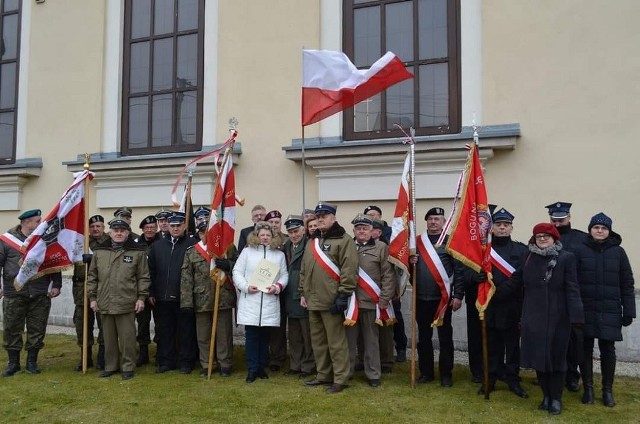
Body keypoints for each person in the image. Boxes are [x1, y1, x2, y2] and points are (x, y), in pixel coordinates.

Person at [505, 223, 583, 415]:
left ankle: (556, 398)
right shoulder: (528, 257)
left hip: (559, 317)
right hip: (533, 315)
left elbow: (572, 288)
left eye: (546, 237)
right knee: (539, 358)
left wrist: (576, 316)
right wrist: (494, 292)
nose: (542, 240)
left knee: (556, 359)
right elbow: (516, 280)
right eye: (538, 236)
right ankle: (545, 396)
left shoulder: (566, 258)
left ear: (554, 239)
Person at [574, 213, 635, 407]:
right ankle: (588, 389)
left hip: (610, 309)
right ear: (590, 229)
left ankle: (607, 390)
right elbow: (572, 282)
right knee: (584, 348)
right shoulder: (579, 250)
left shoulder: (619, 252)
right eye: (596, 227)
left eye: (604, 228)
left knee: (608, 349)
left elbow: (627, 283)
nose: (599, 231)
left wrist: (629, 311)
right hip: (585, 308)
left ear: (609, 231)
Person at [300, 201, 358, 394]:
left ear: (333, 218)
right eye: (318, 216)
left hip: (332, 300)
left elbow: (349, 269)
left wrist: (343, 295)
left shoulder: (344, 239)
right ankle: (323, 375)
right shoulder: (312, 241)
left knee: (336, 343)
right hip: (313, 300)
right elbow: (304, 269)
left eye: (325, 216)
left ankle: (340, 378)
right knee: (318, 342)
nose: (321, 219)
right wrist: (303, 292)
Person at [1, 209, 62, 376]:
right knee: (12, 328)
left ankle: (31, 362)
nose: (40, 224)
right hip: (14, 292)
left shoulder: (44, 240)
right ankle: (13, 363)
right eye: (37, 221)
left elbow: (53, 263)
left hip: (40, 292)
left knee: (37, 328)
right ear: (26, 222)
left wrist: (56, 284)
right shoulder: (6, 241)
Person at [87, 218, 150, 380]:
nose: (119, 233)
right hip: (104, 301)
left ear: (128, 233)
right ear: (110, 232)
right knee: (107, 337)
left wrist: (141, 298)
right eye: (116, 230)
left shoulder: (137, 252)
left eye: (122, 231)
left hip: (127, 301)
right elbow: (92, 276)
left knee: (127, 337)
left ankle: (128, 366)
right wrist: (92, 298)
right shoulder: (100, 251)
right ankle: (111, 365)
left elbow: (143, 277)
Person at [411, 207, 464, 387]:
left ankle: (446, 374)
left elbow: (459, 271)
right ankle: (426, 373)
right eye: (431, 219)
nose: (434, 222)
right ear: (426, 221)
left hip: (442, 300)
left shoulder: (450, 243)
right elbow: (406, 272)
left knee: (445, 338)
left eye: (438, 219)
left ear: (443, 222)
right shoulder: (416, 243)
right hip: (421, 298)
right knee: (424, 338)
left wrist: (458, 295)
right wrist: (411, 263)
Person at [233, 221, 288, 383]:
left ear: (273, 237)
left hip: (269, 301)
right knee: (251, 336)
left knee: (265, 337)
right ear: (256, 236)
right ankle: (252, 368)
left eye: (268, 235)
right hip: (251, 300)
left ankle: (261, 367)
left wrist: (277, 287)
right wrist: (245, 286)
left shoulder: (279, 255)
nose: (265, 238)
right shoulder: (247, 252)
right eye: (262, 235)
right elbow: (237, 271)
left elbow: (284, 275)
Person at [482, 207, 528, 398]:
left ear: (511, 228)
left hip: (512, 306)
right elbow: (476, 272)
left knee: (512, 347)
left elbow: (521, 276)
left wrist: (502, 291)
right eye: (499, 225)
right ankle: (491, 378)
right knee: (493, 345)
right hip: (491, 305)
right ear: (492, 228)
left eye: (506, 225)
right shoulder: (485, 251)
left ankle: (513, 379)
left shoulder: (521, 250)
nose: (502, 228)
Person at [181, 221, 238, 377]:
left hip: (223, 296)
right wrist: (186, 302)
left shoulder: (227, 248)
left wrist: (228, 264)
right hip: (201, 299)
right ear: (199, 234)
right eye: (202, 232)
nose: (206, 235)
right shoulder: (192, 252)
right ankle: (207, 364)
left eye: (209, 232)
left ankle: (225, 363)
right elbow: (186, 279)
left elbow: (239, 266)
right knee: (203, 335)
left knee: (224, 334)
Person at [347, 214, 395, 387]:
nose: (361, 231)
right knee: (349, 342)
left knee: (371, 341)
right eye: (358, 228)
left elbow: (388, 276)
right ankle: (347, 372)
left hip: (371, 302)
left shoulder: (381, 247)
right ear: (354, 230)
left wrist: (384, 299)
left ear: (372, 231)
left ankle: (373, 374)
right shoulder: (348, 246)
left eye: (365, 228)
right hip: (351, 303)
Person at [546, 201, 588, 392]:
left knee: (573, 342)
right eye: (554, 220)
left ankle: (572, 376)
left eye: (561, 219)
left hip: (573, 297)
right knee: (550, 339)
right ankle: (549, 373)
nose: (557, 224)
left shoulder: (582, 239)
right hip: (550, 298)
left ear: (569, 218)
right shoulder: (544, 238)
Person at [148, 211, 198, 374]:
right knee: (165, 331)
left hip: (184, 297)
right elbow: (151, 271)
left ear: (184, 226)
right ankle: (166, 361)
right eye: (172, 226)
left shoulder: (192, 244)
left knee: (185, 331)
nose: (176, 228)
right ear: (167, 226)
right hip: (162, 297)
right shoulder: (157, 246)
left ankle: (186, 362)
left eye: (179, 225)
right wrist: (151, 292)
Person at [71, 214, 109, 371]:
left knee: (104, 324)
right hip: (81, 290)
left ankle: (103, 356)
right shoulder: (81, 242)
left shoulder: (109, 242)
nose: (95, 229)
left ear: (103, 227)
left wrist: (93, 260)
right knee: (82, 324)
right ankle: (85, 357)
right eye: (92, 227)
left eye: (98, 226)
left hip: (102, 288)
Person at [282, 215, 315, 378]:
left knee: (307, 335)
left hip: (303, 296)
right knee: (294, 335)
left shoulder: (310, 246)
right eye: (290, 232)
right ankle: (295, 364)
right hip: (289, 296)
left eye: (296, 231)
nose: (294, 235)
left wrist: (305, 293)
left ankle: (308, 366)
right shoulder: (286, 246)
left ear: (303, 230)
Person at [134, 215, 162, 366]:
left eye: (152, 227)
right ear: (143, 230)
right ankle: (143, 353)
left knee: (160, 323)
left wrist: (153, 292)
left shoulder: (162, 243)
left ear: (156, 228)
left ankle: (160, 353)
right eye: (147, 228)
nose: (150, 230)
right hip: (140, 292)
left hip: (157, 291)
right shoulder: (135, 244)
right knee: (142, 323)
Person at [263, 209, 288, 372]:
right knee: (267, 325)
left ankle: (278, 358)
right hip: (264, 288)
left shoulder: (287, 239)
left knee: (279, 326)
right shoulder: (262, 239)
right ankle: (266, 355)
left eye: (277, 222)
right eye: (271, 222)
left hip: (284, 288)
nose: (274, 225)